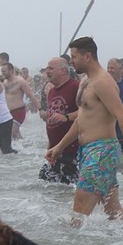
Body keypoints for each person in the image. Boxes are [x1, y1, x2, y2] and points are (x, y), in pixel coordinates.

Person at [45, 37, 123, 221]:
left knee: (78, 214)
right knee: (113, 211)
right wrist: (59, 146)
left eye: (74, 57)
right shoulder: (86, 81)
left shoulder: (102, 82)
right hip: (89, 150)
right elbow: (82, 119)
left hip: (101, 151)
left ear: (87, 56)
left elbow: (122, 116)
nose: (71, 61)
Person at [39, 57, 79, 185]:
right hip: (55, 151)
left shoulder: (76, 87)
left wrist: (66, 117)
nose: (47, 71)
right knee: (46, 187)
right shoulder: (51, 92)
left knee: (72, 189)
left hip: (73, 150)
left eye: (51, 68)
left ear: (63, 71)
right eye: (47, 68)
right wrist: (49, 148)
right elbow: (51, 121)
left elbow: (88, 112)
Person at [0, 62, 40, 139]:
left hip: (18, 111)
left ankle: (17, 149)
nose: (2, 73)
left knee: (12, 133)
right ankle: (25, 147)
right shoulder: (5, 82)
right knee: (15, 134)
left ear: (11, 70)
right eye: (2, 71)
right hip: (8, 112)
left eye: (4, 71)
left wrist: (40, 109)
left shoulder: (20, 81)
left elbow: (31, 95)